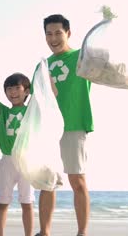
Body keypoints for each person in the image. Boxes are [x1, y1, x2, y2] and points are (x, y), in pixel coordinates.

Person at [35, 14, 94, 236]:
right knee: (46, 182)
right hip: (47, 131)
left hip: (74, 123)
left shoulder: (82, 56)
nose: (53, 38)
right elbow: (36, 100)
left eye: (58, 33)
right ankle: (45, 232)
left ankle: (82, 232)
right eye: (49, 34)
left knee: (77, 179)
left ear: (68, 33)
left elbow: (105, 64)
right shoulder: (42, 65)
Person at [0, 55, 35, 236]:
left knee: (27, 202)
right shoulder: (3, 111)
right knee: (3, 202)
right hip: (7, 161)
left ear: (26, 91)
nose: (12, 92)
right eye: (9, 89)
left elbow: (45, 94)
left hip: (27, 160)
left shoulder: (31, 110)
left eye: (17, 88)